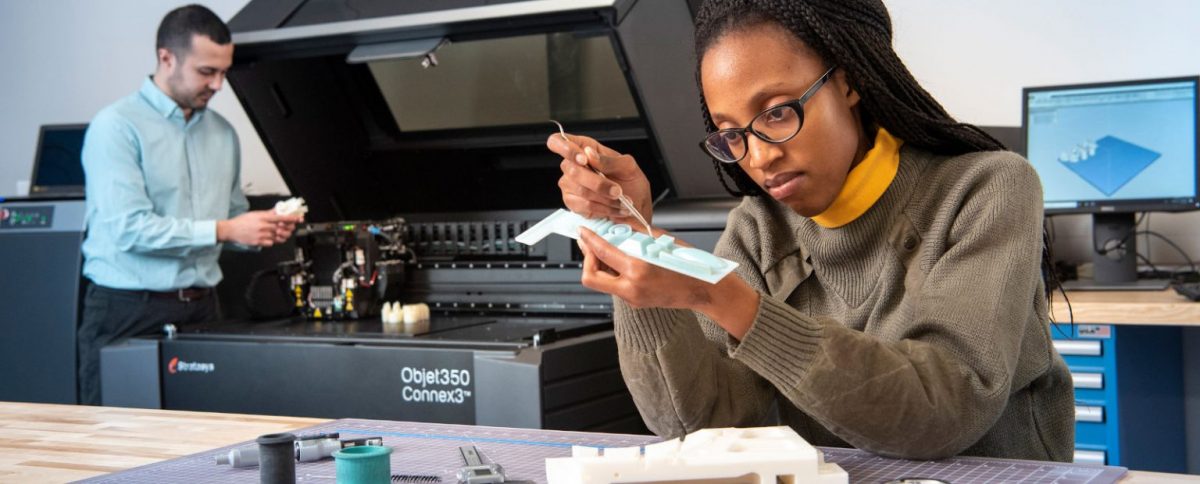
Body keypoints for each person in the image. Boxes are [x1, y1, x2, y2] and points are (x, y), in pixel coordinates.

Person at [546, 0, 1074, 462]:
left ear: (847, 82)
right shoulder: (757, 230)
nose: (759, 156)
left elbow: (945, 407)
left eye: (777, 112)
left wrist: (725, 299)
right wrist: (627, 237)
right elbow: (697, 422)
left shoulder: (986, 189)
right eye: (732, 134)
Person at [77, 5, 301, 405]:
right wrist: (227, 229)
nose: (218, 84)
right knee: (117, 443)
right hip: (127, 310)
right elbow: (129, 229)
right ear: (167, 58)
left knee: (205, 443)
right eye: (206, 71)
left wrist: (258, 231)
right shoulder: (116, 127)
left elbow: (230, 217)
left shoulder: (222, 134)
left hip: (203, 309)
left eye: (224, 72)